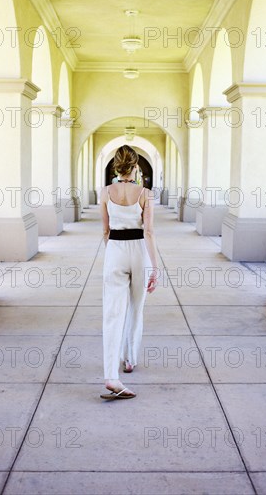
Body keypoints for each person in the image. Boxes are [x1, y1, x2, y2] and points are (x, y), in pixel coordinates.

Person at [100, 145, 158, 400]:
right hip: (139, 251)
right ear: (135, 167)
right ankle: (130, 359)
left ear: (116, 167)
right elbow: (149, 232)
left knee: (113, 313)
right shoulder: (145, 193)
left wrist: (113, 252)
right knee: (136, 308)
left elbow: (105, 231)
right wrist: (154, 266)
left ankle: (111, 375)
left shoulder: (105, 192)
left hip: (115, 249)